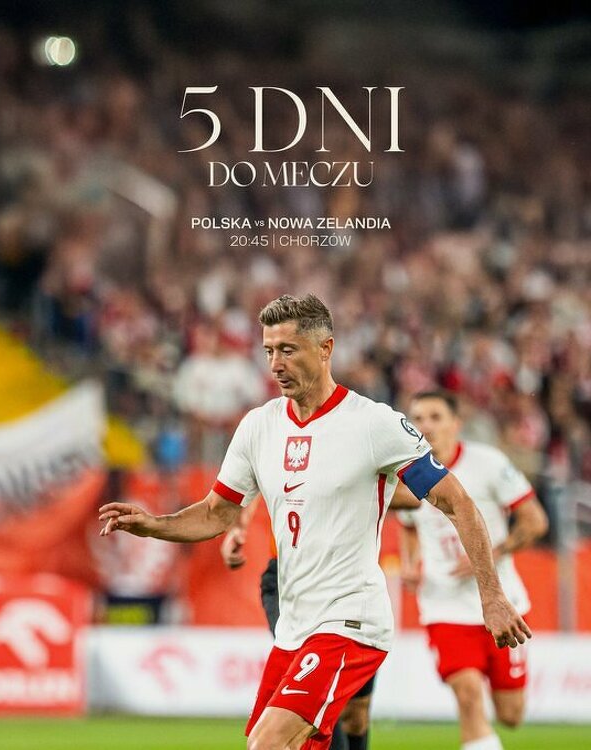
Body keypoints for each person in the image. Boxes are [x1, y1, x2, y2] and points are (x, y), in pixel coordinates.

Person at [99, 294, 531, 750]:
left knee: (270, 743)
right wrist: (153, 524)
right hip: (294, 625)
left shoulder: (374, 424)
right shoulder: (258, 426)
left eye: (288, 350)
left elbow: (459, 503)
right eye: (269, 351)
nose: (275, 364)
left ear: (325, 349)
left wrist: (492, 596)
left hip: (350, 620)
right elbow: (215, 513)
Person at [396, 391, 548, 750]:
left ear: (456, 424)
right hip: (443, 606)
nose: (426, 426)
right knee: (467, 695)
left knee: (511, 714)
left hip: (503, 600)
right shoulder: (406, 474)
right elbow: (408, 525)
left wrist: (489, 555)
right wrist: (410, 563)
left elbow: (535, 521)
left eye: (435, 417)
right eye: (418, 418)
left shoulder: (488, 464)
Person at [221, 506, 374, 750]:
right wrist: (238, 526)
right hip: (289, 578)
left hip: (349, 579)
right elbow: (246, 487)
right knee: (316, 694)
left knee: (356, 714)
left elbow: (411, 499)